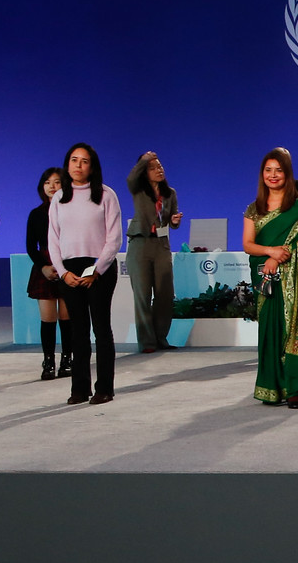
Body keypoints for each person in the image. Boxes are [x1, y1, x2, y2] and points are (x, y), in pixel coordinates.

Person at [48, 142, 124, 406]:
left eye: (84, 161)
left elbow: (114, 239)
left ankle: (104, 388)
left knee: (101, 329)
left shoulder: (106, 195)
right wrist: (62, 272)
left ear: (93, 166)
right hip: (70, 270)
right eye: (73, 160)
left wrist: (98, 270)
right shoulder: (59, 198)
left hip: (98, 269)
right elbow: (53, 240)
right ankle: (79, 388)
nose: (78, 166)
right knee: (77, 331)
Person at [244, 148, 298, 409]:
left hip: (292, 279)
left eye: (278, 170)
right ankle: (271, 388)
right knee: (269, 330)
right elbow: (248, 245)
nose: (273, 175)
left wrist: (278, 258)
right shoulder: (254, 209)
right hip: (265, 278)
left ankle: (293, 388)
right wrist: (270, 252)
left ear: (287, 174)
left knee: (293, 327)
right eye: (268, 170)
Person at [125, 151, 182, 355]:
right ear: (144, 172)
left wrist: (174, 221)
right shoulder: (138, 189)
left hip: (161, 246)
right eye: (153, 167)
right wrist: (144, 159)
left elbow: (170, 222)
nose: (159, 169)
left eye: (160, 166)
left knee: (165, 294)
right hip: (140, 244)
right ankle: (147, 342)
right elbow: (131, 178)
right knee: (142, 294)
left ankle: (161, 338)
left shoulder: (170, 193)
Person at [26, 168, 72, 381]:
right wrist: (44, 267)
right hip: (44, 267)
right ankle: (48, 362)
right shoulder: (36, 214)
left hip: (68, 265)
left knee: (67, 317)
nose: (52, 186)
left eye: (57, 182)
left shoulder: (71, 210)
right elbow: (31, 246)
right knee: (48, 318)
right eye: (47, 182)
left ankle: (67, 360)